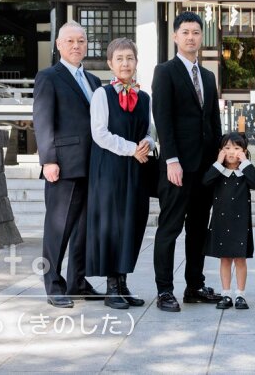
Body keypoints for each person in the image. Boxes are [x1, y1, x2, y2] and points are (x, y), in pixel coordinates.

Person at [151, 11, 224, 311]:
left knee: (197, 228)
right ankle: (164, 290)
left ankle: (194, 285)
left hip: (205, 167)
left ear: (201, 37)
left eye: (196, 32)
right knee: (169, 227)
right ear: (176, 36)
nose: (191, 37)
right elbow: (163, 119)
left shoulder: (207, 76)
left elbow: (214, 121)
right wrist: (171, 160)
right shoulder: (165, 71)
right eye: (185, 32)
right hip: (177, 166)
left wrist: (221, 161)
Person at [32, 21, 103, 308]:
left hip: (93, 166)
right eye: (70, 41)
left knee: (85, 229)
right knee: (58, 228)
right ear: (59, 45)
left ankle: (78, 281)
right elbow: (43, 120)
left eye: (81, 41)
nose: (76, 46)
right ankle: (53, 283)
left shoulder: (96, 81)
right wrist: (48, 160)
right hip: (63, 165)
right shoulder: (49, 77)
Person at [85, 38, 155, 309]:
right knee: (112, 224)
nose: (126, 63)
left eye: (130, 58)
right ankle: (111, 286)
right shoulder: (102, 95)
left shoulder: (144, 96)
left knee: (132, 223)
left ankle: (123, 282)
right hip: (110, 168)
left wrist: (148, 144)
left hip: (136, 169)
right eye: (120, 58)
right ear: (110, 63)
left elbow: (148, 130)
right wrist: (130, 149)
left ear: (136, 62)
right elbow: (99, 133)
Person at [202, 132, 255, 310]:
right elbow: (206, 181)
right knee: (225, 259)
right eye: (227, 148)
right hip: (222, 222)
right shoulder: (219, 172)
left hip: (240, 223)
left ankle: (240, 295)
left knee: (240, 260)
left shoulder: (245, 172)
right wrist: (218, 162)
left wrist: (244, 162)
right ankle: (226, 293)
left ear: (244, 151)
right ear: (221, 150)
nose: (231, 152)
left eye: (237, 148)